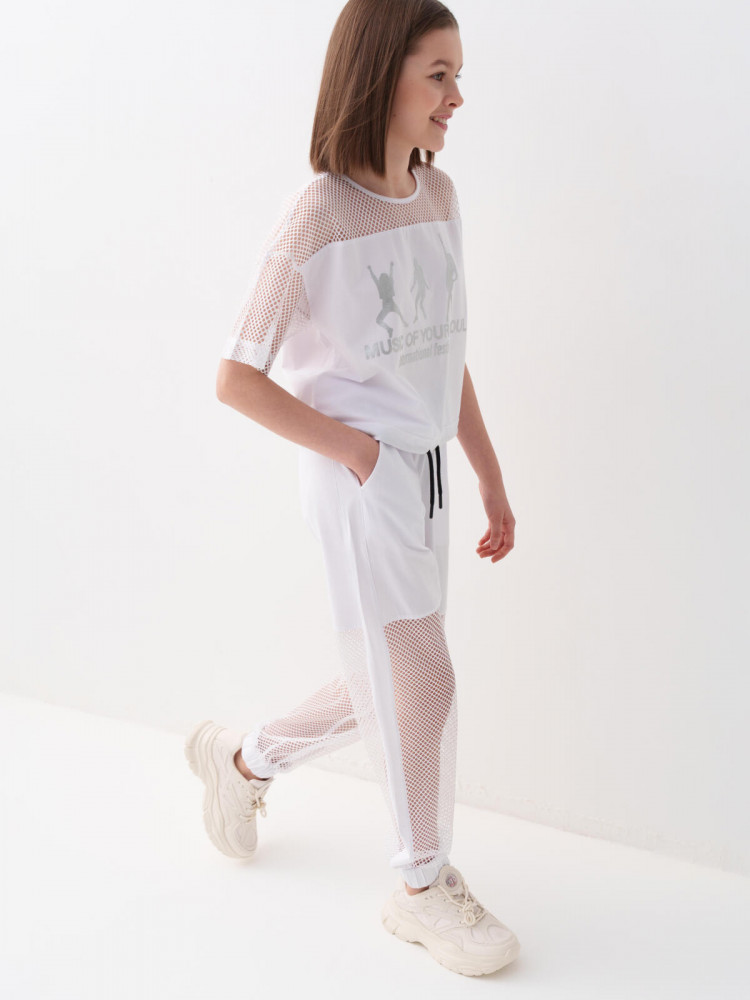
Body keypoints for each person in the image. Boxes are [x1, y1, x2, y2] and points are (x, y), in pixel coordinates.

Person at [185, 0, 519, 978]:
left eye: (457, 76)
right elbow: (235, 376)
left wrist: (490, 473)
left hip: (428, 473)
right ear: (380, 76)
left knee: (393, 671)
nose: (457, 97)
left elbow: (443, 353)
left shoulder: (438, 193)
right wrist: (360, 455)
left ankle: (242, 759)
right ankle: (420, 885)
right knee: (428, 678)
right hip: (361, 480)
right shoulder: (319, 215)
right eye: (439, 75)